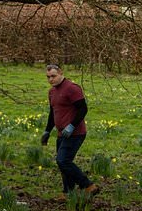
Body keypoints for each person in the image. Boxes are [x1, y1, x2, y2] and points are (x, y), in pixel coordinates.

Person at [40, 64, 100, 197]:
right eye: (48, 77)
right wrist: (47, 131)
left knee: (63, 161)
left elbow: (83, 109)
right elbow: (53, 113)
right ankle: (68, 192)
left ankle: (88, 185)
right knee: (63, 164)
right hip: (61, 133)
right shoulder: (52, 92)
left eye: (53, 76)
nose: (51, 80)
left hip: (75, 133)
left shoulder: (72, 88)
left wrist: (72, 125)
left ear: (61, 73)